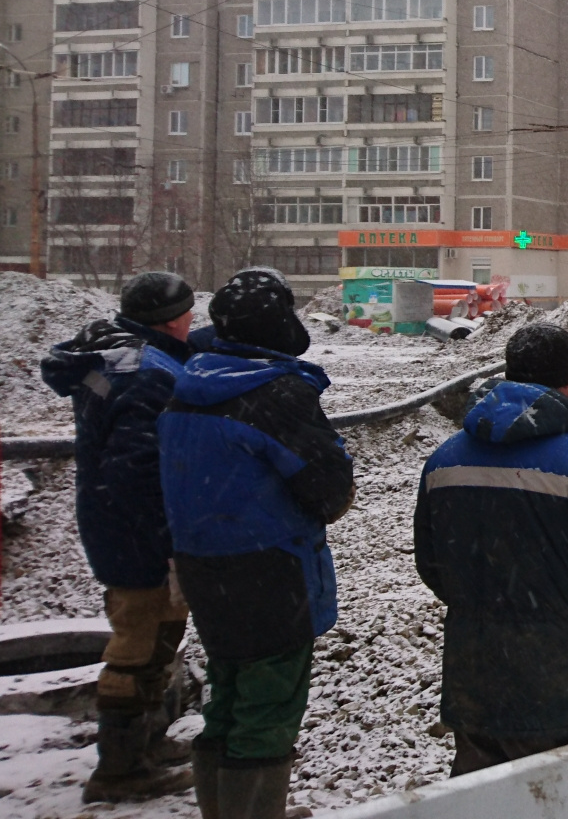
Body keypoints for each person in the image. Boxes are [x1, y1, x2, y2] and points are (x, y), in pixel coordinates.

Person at [158, 268, 354, 819]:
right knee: (269, 708)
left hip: (204, 569)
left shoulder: (188, 386)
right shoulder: (276, 395)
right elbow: (329, 489)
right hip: (271, 573)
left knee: (228, 697)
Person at [415, 323, 568, 776]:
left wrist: (486, 613)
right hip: (560, 676)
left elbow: (432, 564)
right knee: (552, 791)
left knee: (478, 795)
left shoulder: (444, 459)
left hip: (475, 670)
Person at [40, 272, 200, 803]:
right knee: (138, 644)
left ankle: (145, 744)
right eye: (188, 312)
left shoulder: (117, 359)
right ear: (172, 318)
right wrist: (166, 537)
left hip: (113, 521)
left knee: (157, 635)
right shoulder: (148, 374)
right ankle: (122, 769)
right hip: (140, 533)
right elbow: (136, 469)